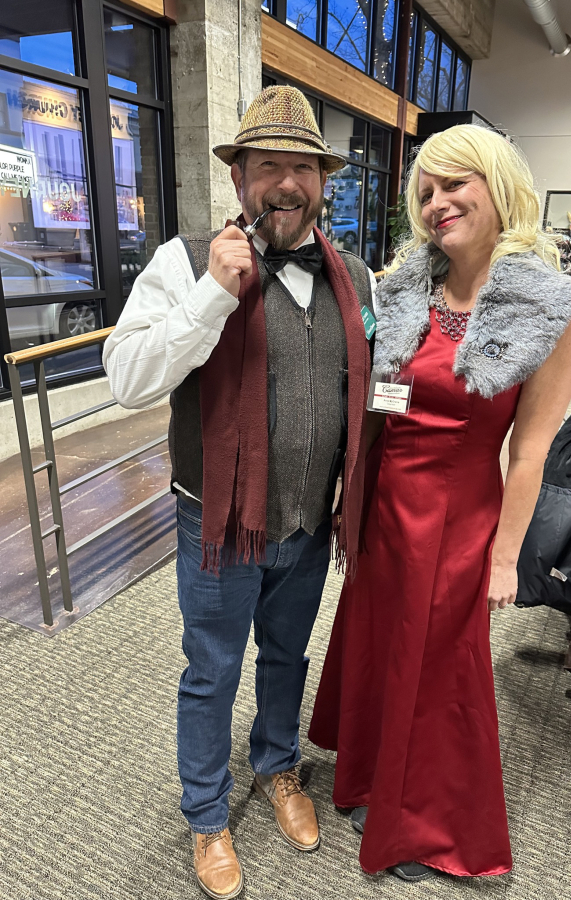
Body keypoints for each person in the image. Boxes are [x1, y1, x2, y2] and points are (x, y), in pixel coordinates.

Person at [103, 85, 376, 900]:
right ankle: (205, 815)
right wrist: (213, 295)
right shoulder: (184, 263)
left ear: (323, 181)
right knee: (211, 668)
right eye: (267, 167)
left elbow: (367, 390)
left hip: (307, 520)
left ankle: (276, 767)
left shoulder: (353, 274)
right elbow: (125, 379)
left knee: (287, 654)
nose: (285, 183)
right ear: (237, 180)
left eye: (301, 166)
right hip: (217, 522)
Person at [308, 125, 571, 882]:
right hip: (384, 507)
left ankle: (425, 825)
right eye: (425, 191)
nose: (437, 202)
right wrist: (349, 502)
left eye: (455, 183)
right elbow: (375, 407)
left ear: (497, 186)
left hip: (458, 519)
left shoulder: (546, 307)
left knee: (439, 671)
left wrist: (503, 560)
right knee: (381, 647)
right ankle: (371, 782)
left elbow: (528, 452)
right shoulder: (402, 287)